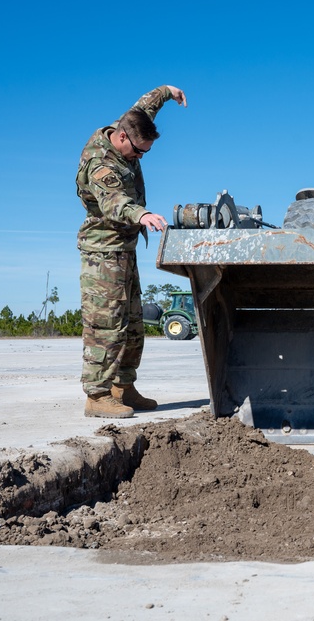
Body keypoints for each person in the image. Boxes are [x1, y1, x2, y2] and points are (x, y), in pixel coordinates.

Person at [76, 85, 187, 418]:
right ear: (122, 138)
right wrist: (143, 215)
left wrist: (168, 91)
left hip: (125, 249)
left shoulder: (131, 125)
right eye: (139, 152)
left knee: (134, 323)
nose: (141, 157)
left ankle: (123, 387)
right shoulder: (100, 163)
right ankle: (96, 396)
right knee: (105, 324)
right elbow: (114, 202)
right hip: (102, 252)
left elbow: (145, 107)